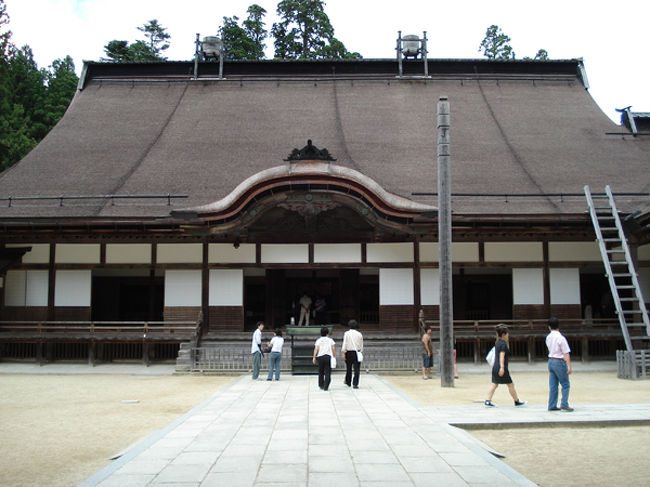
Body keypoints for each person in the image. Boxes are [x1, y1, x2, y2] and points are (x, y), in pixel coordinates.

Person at [484, 325, 526, 407]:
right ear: (503, 334)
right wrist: (502, 367)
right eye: (507, 334)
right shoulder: (503, 344)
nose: (508, 335)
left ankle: (487, 400)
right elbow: (501, 356)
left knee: (494, 384)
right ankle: (516, 401)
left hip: (495, 366)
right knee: (510, 384)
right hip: (501, 367)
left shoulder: (497, 342)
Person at [546, 316, 573, 411]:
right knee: (565, 384)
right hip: (559, 361)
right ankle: (564, 403)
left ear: (549, 327)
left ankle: (552, 405)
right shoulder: (561, 338)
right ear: (558, 326)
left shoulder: (548, 337)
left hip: (551, 360)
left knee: (553, 385)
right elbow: (566, 353)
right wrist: (569, 366)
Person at [342, 319, 363, 389]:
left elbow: (345, 343)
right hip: (357, 352)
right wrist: (360, 351)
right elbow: (361, 344)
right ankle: (355, 383)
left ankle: (348, 381)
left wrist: (343, 352)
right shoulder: (359, 334)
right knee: (357, 369)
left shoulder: (346, 333)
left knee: (349, 368)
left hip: (349, 352)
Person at [312, 326, 336, 391]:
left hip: (320, 357)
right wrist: (334, 355)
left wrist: (314, 357)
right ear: (327, 333)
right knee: (328, 372)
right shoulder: (330, 340)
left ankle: (321, 384)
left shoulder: (318, 340)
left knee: (321, 372)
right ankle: (326, 386)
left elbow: (316, 349)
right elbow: (333, 348)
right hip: (328, 357)